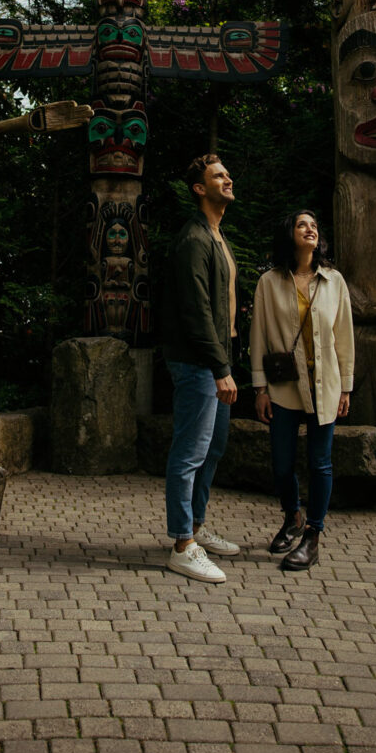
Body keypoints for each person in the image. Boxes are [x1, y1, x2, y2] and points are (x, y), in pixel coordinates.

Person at [250, 211, 354, 571]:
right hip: (284, 387)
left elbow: (344, 337)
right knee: (281, 464)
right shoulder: (269, 282)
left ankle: (313, 535)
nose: (310, 228)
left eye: (314, 224)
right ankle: (293, 515)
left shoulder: (334, 281)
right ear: (289, 234)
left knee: (320, 462)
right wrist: (259, 387)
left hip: (326, 385)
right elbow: (259, 334)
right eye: (301, 224)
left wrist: (347, 388)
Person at [160, 153, 241, 583]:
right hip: (198, 363)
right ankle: (181, 544)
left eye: (227, 174)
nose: (228, 179)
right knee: (189, 452)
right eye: (218, 176)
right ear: (199, 188)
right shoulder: (193, 239)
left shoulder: (216, 236)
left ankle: (195, 526)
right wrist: (218, 366)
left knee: (214, 447)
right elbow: (196, 311)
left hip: (214, 361)